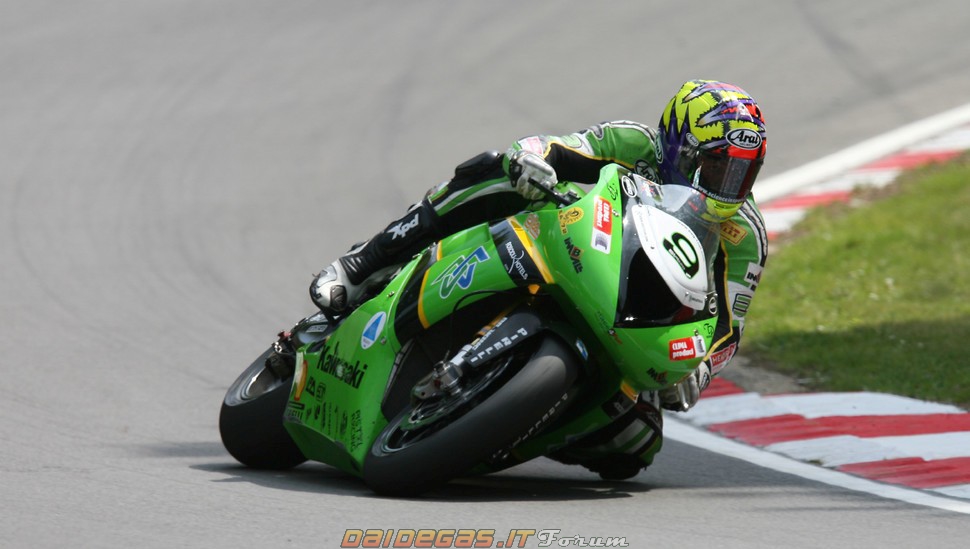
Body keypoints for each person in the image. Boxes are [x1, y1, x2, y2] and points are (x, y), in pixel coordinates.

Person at [309, 80, 768, 480]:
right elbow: (555, 147)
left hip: (636, 320)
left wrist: (699, 370)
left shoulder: (745, 234)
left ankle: (519, 422)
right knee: (495, 172)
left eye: (742, 172)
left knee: (635, 446)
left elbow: (729, 328)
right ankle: (366, 261)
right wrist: (530, 159)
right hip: (574, 249)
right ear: (678, 144)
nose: (726, 184)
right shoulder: (633, 142)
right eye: (716, 166)